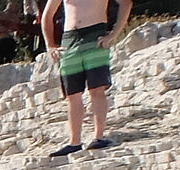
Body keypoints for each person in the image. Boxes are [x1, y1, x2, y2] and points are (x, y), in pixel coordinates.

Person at [44, 0, 131, 153]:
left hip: (94, 34)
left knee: (97, 89)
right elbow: (47, 15)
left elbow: (126, 3)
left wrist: (113, 34)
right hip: (69, 39)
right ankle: (74, 141)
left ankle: (99, 137)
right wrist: (50, 45)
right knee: (72, 94)